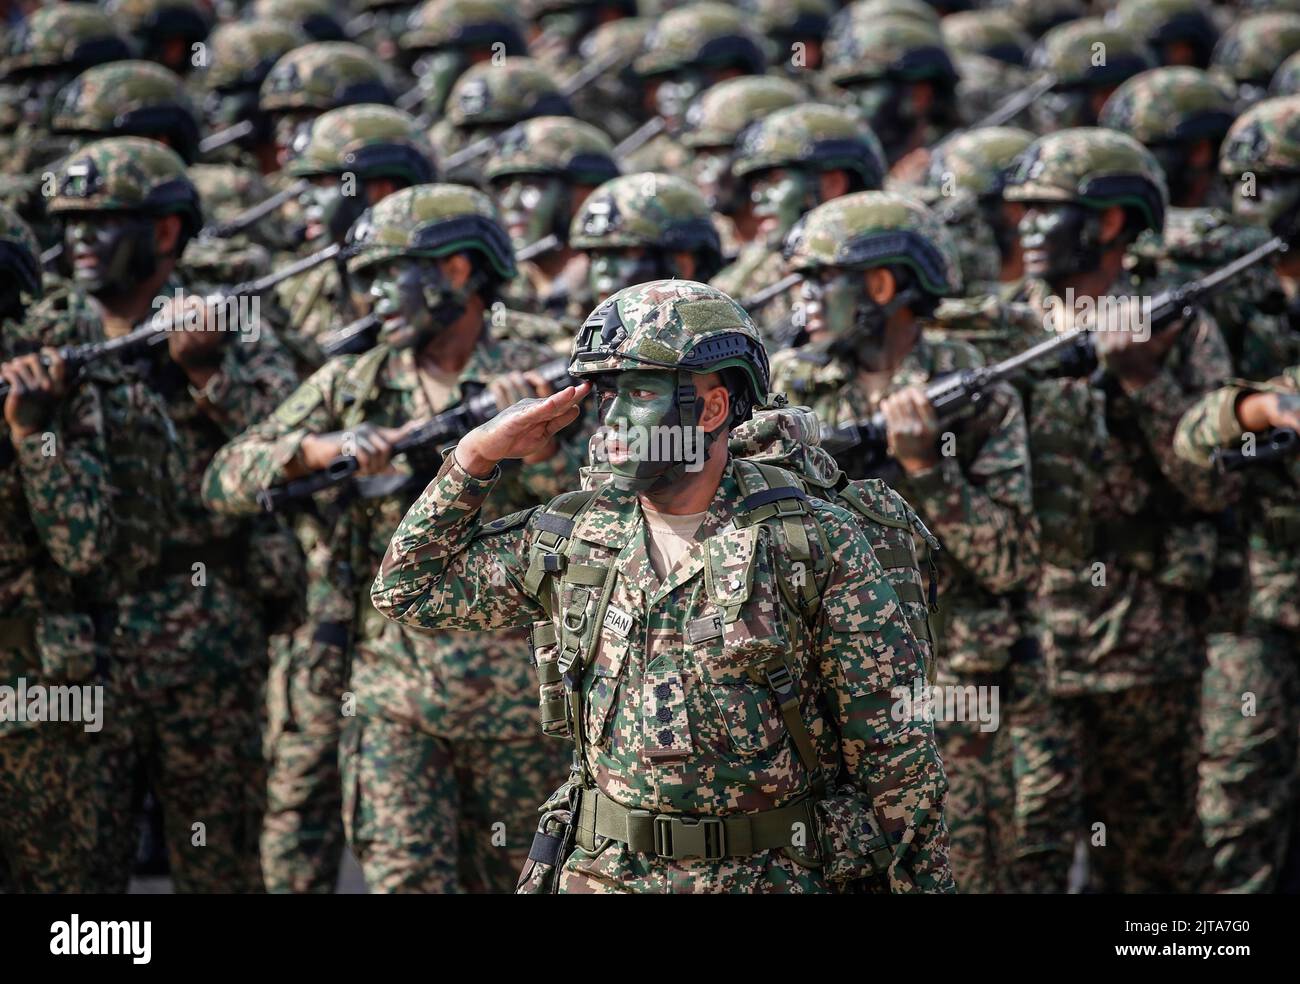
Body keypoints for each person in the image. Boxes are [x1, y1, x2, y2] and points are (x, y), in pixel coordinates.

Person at [370, 277, 956, 894]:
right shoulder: (575, 536)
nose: (613, 421)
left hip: (769, 874)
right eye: (606, 397)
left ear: (711, 409)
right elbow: (407, 588)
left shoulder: (810, 543)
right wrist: (476, 457)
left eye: (642, 393)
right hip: (605, 872)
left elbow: (896, 760)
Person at [203, 183, 577, 893]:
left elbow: (609, 507)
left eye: (388, 273)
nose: (372, 295)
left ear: (459, 271)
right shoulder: (355, 380)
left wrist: (539, 454)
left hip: (521, 705)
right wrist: (318, 450)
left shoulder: (539, 370)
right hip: (393, 698)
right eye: (364, 277)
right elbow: (224, 481)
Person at [769, 191, 1038, 892]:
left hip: (948, 698)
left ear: (881, 286)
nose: (801, 300)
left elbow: (1011, 562)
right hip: (812, 697)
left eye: (816, 280)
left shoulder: (976, 393)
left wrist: (928, 472)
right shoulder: (787, 390)